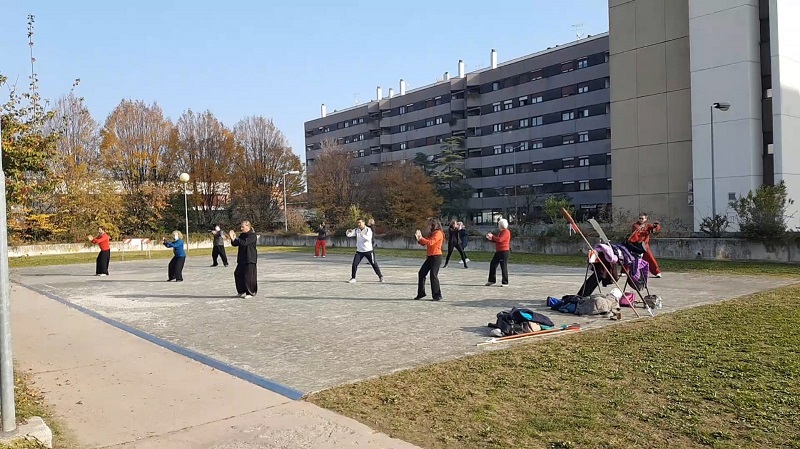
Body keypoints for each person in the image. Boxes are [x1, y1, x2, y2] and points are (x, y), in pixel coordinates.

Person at [346, 219, 384, 283]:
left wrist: (362, 234)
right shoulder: (356, 230)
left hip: (368, 250)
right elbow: (349, 235)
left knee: (374, 263)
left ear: (363, 223)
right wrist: (348, 232)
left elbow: (368, 239)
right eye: (358, 223)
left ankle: (380, 276)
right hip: (359, 251)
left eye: (360, 223)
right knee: (354, 264)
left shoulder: (368, 230)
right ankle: (353, 278)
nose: (359, 224)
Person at [414, 218, 444, 301]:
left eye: (430, 225)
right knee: (421, 273)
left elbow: (430, 242)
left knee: (433, 275)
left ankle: (437, 295)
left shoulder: (438, 233)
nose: (428, 226)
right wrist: (419, 240)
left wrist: (421, 238)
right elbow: (425, 242)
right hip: (430, 257)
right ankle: (421, 293)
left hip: (436, 257)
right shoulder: (432, 233)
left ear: (434, 225)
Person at [229, 220, 258, 298]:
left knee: (249, 276)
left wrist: (236, 238)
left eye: (243, 227)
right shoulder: (242, 235)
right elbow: (235, 244)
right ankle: (241, 291)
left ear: (248, 226)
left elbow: (244, 243)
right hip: (242, 258)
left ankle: (250, 293)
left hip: (250, 258)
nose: (241, 228)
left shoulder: (252, 235)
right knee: (238, 274)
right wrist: (232, 239)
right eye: (241, 227)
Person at [630, 213, 662, 278]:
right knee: (630, 258)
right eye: (640, 218)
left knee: (650, 258)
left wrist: (656, 226)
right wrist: (649, 232)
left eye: (642, 218)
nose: (641, 220)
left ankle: (657, 272)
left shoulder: (648, 225)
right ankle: (624, 271)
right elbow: (639, 232)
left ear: (646, 219)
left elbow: (656, 229)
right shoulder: (635, 225)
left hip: (644, 245)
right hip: (636, 245)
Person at [485, 218, 511, 287]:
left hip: (504, 252)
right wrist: (490, 238)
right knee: (493, 264)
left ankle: (505, 282)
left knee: (503, 266)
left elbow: (500, 240)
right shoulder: (501, 232)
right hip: (499, 251)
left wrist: (492, 237)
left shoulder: (506, 232)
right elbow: (497, 240)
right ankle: (491, 280)